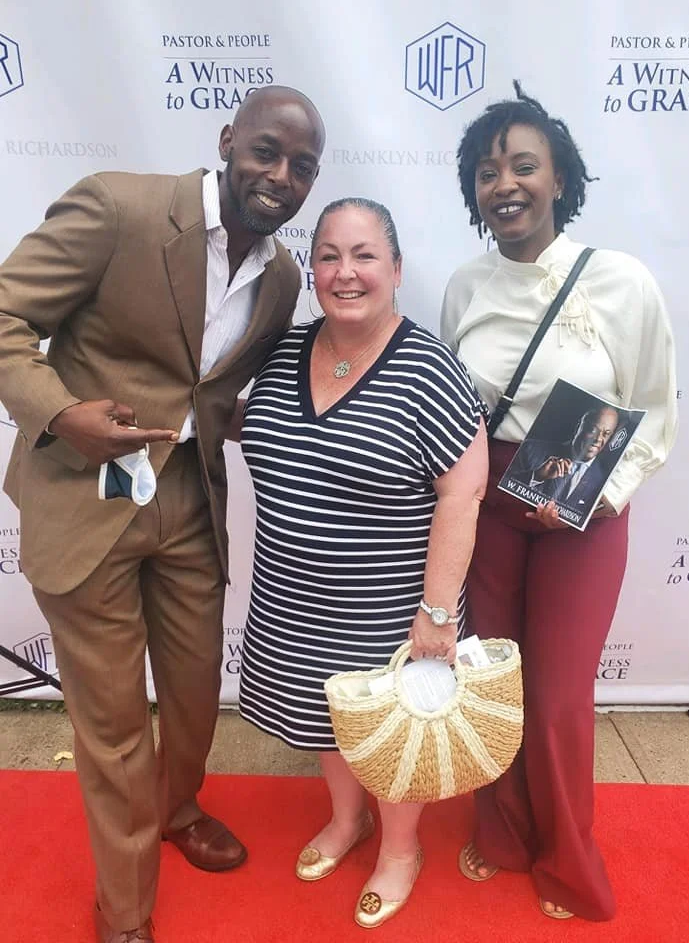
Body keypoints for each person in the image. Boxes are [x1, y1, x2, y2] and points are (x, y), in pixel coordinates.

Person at [0, 85, 325, 942]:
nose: (280, 176)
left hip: (186, 503)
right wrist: (59, 411)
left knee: (188, 700)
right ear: (228, 140)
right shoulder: (121, 208)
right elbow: (3, 314)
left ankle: (178, 807)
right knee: (111, 728)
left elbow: (216, 391)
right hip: (83, 498)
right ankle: (125, 913)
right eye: (266, 151)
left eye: (302, 167)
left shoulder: (285, 276)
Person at [441, 82, 677, 922]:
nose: (503, 182)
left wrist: (598, 495)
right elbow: (459, 412)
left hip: (587, 512)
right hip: (492, 505)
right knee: (496, 681)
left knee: (560, 694)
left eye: (523, 165)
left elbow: (654, 405)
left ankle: (567, 857)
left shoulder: (620, 281)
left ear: (560, 178)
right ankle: (502, 833)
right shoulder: (465, 287)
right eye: (485, 169)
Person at [238, 197, 488, 929]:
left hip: (392, 606)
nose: (345, 273)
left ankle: (400, 850)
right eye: (328, 256)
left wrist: (437, 612)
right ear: (311, 267)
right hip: (291, 597)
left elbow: (463, 490)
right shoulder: (284, 350)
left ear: (397, 269)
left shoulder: (428, 368)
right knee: (326, 719)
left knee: (390, 735)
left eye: (365, 255)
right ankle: (348, 823)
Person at [508, 405, 620, 506]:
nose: (598, 439)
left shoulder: (604, 480)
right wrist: (536, 476)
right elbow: (506, 486)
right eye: (592, 430)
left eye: (606, 434)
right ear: (578, 427)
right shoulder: (531, 449)